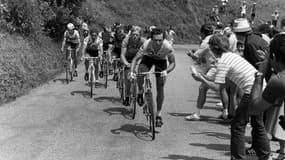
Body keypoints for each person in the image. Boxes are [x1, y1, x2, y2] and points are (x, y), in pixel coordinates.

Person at [191, 33, 271, 160]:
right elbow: (226, 81)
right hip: (261, 86)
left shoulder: (223, 61)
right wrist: (204, 76)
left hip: (251, 90)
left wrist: (200, 78)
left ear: (212, 49)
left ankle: (238, 157)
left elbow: (218, 87)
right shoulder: (231, 56)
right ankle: (264, 153)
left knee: (237, 125)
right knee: (257, 122)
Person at [130, 28, 176, 127]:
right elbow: (135, 59)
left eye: (160, 40)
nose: (158, 42)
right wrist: (131, 71)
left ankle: (158, 114)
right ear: (151, 39)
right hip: (148, 59)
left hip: (161, 61)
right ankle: (140, 91)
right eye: (155, 40)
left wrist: (166, 71)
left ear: (163, 39)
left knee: (160, 87)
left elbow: (172, 63)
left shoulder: (167, 46)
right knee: (140, 72)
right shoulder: (146, 44)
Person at [186, 24, 229, 121]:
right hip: (223, 64)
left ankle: (197, 113)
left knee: (202, 88)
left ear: (202, 33)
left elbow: (197, 57)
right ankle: (226, 112)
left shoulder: (206, 42)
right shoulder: (218, 38)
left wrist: (190, 54)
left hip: (214, 67)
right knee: (222, 89)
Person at [121, 26, 146, 106]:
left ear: (140, 35)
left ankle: (140, 93)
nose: (135, 36)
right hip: (128, 58)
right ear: (130, 34)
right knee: (128, 77)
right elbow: (122, 55)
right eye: (133, 34)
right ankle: (127, 96)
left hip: (139, 58)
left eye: (137, 35)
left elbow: (146, 54)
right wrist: (126, 63)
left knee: (140, 75)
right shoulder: (126, 40)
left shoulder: (143, 41)